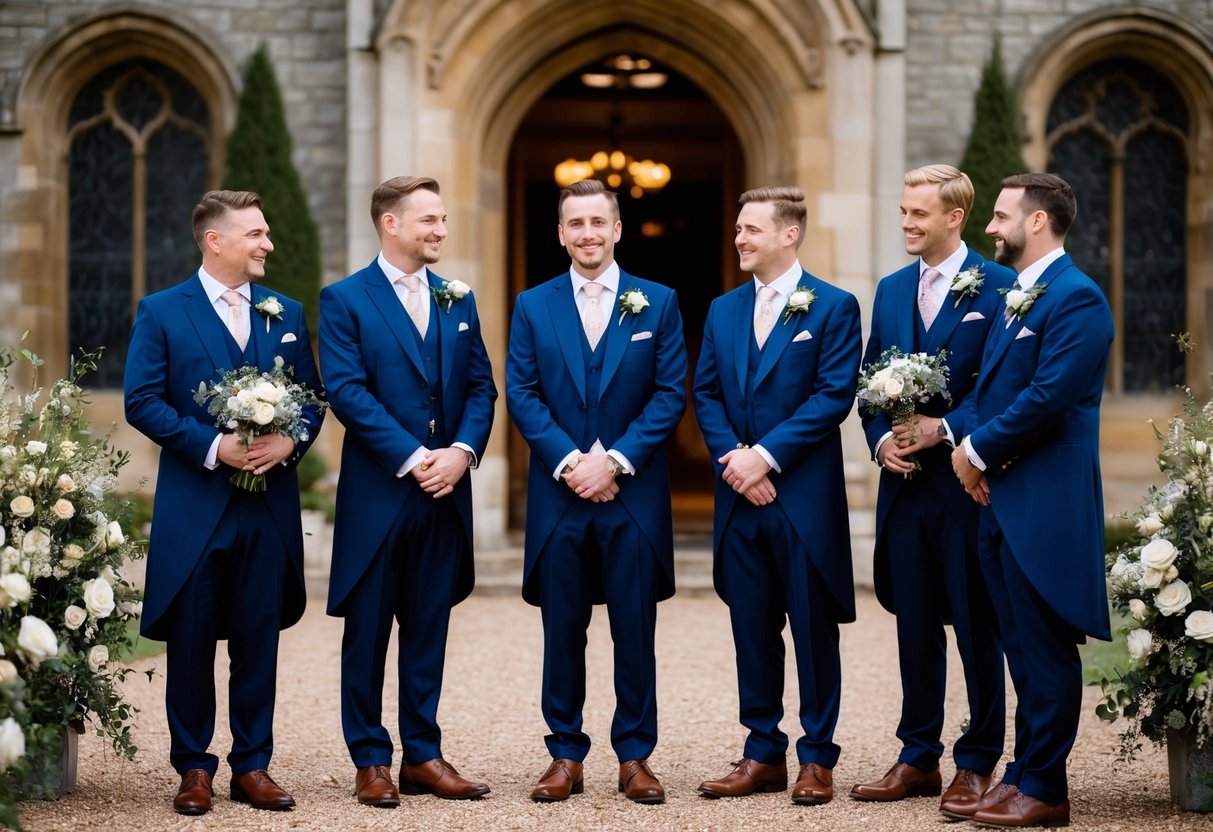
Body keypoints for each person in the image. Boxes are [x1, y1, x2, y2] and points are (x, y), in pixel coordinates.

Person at [125, 189, 324, 815]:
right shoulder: (162, 311)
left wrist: (289, 439)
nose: (268, 243)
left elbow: (313, 399)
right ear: (215, 240)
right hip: (196, 505)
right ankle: (193, 767)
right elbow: (141, 401)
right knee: (191, 641)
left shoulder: (285, 312)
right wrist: (214, 447)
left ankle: (253, 766)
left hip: (268, 507)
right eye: (255, 234)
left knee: (258, 637)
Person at [505, 178, 687, 805]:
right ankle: (564, 753)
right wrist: (570, 463)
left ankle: (635, 756)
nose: (587, 234)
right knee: (563, 631)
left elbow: (670, 394)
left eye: (597, 222)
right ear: (561, 233)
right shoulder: (532, 305)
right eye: (575, 223)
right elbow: (522, 393)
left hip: (631, 498)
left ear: (617, 229)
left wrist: (614, 461)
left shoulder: (658, 302)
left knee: (634, 631)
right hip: (559, 501)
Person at [319, 176, 497, 806]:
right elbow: (347, 392)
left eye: (443, 219)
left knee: (428, 628)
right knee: (367, 634)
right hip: (380, 494)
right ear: (390, 224)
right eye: (429, 220)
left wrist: (461, 453)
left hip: (445, 495)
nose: (441, 230)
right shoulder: (344, 299)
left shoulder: (458, 298)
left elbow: (482, 387)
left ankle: (423, 755)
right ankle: (371, 760)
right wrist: (418, 457)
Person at [951, 173, 1113, 827]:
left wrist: (974, 451)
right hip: (1000, 501)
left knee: (1045, 650)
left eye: (999, 216)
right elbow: (988, 392)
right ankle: (1022, 771)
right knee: (1018, 647)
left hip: (1044, 505)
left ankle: (1046, 788)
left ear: (1037, 221)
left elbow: (1047, 398)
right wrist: (967, 446)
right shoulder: (1016, 296)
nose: (990, 227)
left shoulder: (1077, 298)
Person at [849, 165, 1013, 816]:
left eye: (919, 213)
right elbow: (868, 384)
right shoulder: (890, 290)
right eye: (903, 211)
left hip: (967, 486)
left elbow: (1003, 386)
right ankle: (917, 756)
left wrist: (943, 428)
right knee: (913, 625)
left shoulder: (999, 287)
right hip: (903, 491)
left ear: (954, 217)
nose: (907, 223)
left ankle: (976, 762)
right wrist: (879, 442)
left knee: (977, 627)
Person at [693, 185, 861, 806]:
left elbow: (832, 395)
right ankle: (762, 751)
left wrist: (763, 457)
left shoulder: (835, 306)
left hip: (803, 500)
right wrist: (736, 463)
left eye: (751, 229)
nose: (739, 238)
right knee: (751, 628)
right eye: (739, 228)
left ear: (789, 235)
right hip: (739, 499)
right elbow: (705, 393)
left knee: (814, 631)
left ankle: (817, 757)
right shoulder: (723, 309)